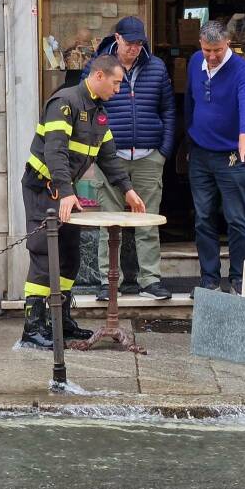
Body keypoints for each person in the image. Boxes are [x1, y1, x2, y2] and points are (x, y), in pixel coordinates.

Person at [21, 54, 147, 349]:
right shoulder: (64, 103)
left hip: (64, 192)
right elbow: (55, 152)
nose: (118, 89)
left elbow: (108, 157)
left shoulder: (99, 113)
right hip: (44, 189)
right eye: (116, 83)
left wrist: (127, 189)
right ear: (99, 76)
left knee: (69, 256)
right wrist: (66, 192)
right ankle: (33, 327)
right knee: (43, 255)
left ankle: (60, 322)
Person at [82, 16, 175, 301]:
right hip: (111, 156)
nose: (134, 48)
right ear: (118, 38)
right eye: (130, 43)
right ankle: (108, 282)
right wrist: (96, 148)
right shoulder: (98, 66)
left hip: (149, 155)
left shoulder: (156, 68)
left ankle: (150, 280)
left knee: (147, 220)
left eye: (139, 44)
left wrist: (163, 152)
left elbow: (169, 110)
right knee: (109, 221)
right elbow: (85, 108)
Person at [184, 20, 245, 296]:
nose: (212, 56)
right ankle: (209, 278)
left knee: (236, 218)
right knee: (203, 217)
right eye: (207, 50)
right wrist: (189, 138)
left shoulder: (242, 68)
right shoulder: (195, 62)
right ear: (200, 45)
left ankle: (239, 278)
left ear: (227, 43)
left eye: (217, 49)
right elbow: (189, 102)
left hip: (233, 154)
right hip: (201, 153)